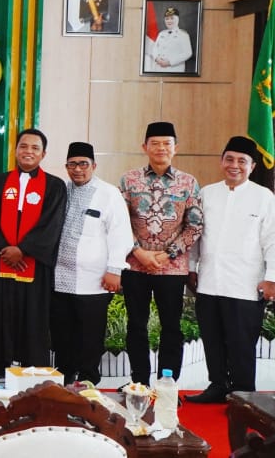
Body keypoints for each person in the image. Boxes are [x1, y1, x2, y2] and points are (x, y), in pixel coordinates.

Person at [185, 137, 275, 403]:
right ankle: (217, 386)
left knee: (240, 344)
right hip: (209, 281)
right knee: (212, 339)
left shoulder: (264, 197)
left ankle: (243, 396)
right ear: (221, 161)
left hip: (245, 285)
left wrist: (271, 278)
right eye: (229, 159)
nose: (234, 165)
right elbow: (196, 234)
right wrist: (191, 267)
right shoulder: (207, 193)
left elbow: (272, 240)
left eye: (242, 161)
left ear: (252, 166)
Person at [0, 128, 67, 382]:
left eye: (35, 148)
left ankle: (32, 370)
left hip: (35, 265)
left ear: (43, 154)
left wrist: (23, 250)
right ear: (15, 150)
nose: (28, 151)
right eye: (23, 146)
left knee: (34, 316)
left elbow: (52, 224)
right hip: (1, 261)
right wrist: (6, 250)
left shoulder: (54, 186)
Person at [119, 121, 202, 386]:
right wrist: (139, 252)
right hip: (135, 265)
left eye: (167, 143)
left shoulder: (188, 182)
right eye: (155, 143)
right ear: (144, 147)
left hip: (172, 268)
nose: (161, 148)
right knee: (136, 325)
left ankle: (167, 385)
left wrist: (167, 255)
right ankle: (139, 383)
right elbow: (120, 222)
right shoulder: (129, 180)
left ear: (176, 148)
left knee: (171, 327)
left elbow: (195, 225)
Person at [51, 142, 133, 385]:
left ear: (94, 166)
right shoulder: (61, 191)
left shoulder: (109, 194)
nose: (78, 169)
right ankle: (64, 379)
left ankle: (88, 381)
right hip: (59, 278)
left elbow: (121, 234)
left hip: (94, 281)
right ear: (66, 166)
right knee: (62, 333)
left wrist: (114, 270)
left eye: (83, 164)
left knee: (90, 334)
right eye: (72, 164)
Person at [147, 7, 193, 73]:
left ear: (177, 19)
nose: (169, 21)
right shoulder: (161, 33)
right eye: (167, 19)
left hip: (174, 69)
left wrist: (169, 62)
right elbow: (154, 48)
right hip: (158, 69)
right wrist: (157, 59)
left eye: (172, 18)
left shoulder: (183, 35)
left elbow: (188, 53)